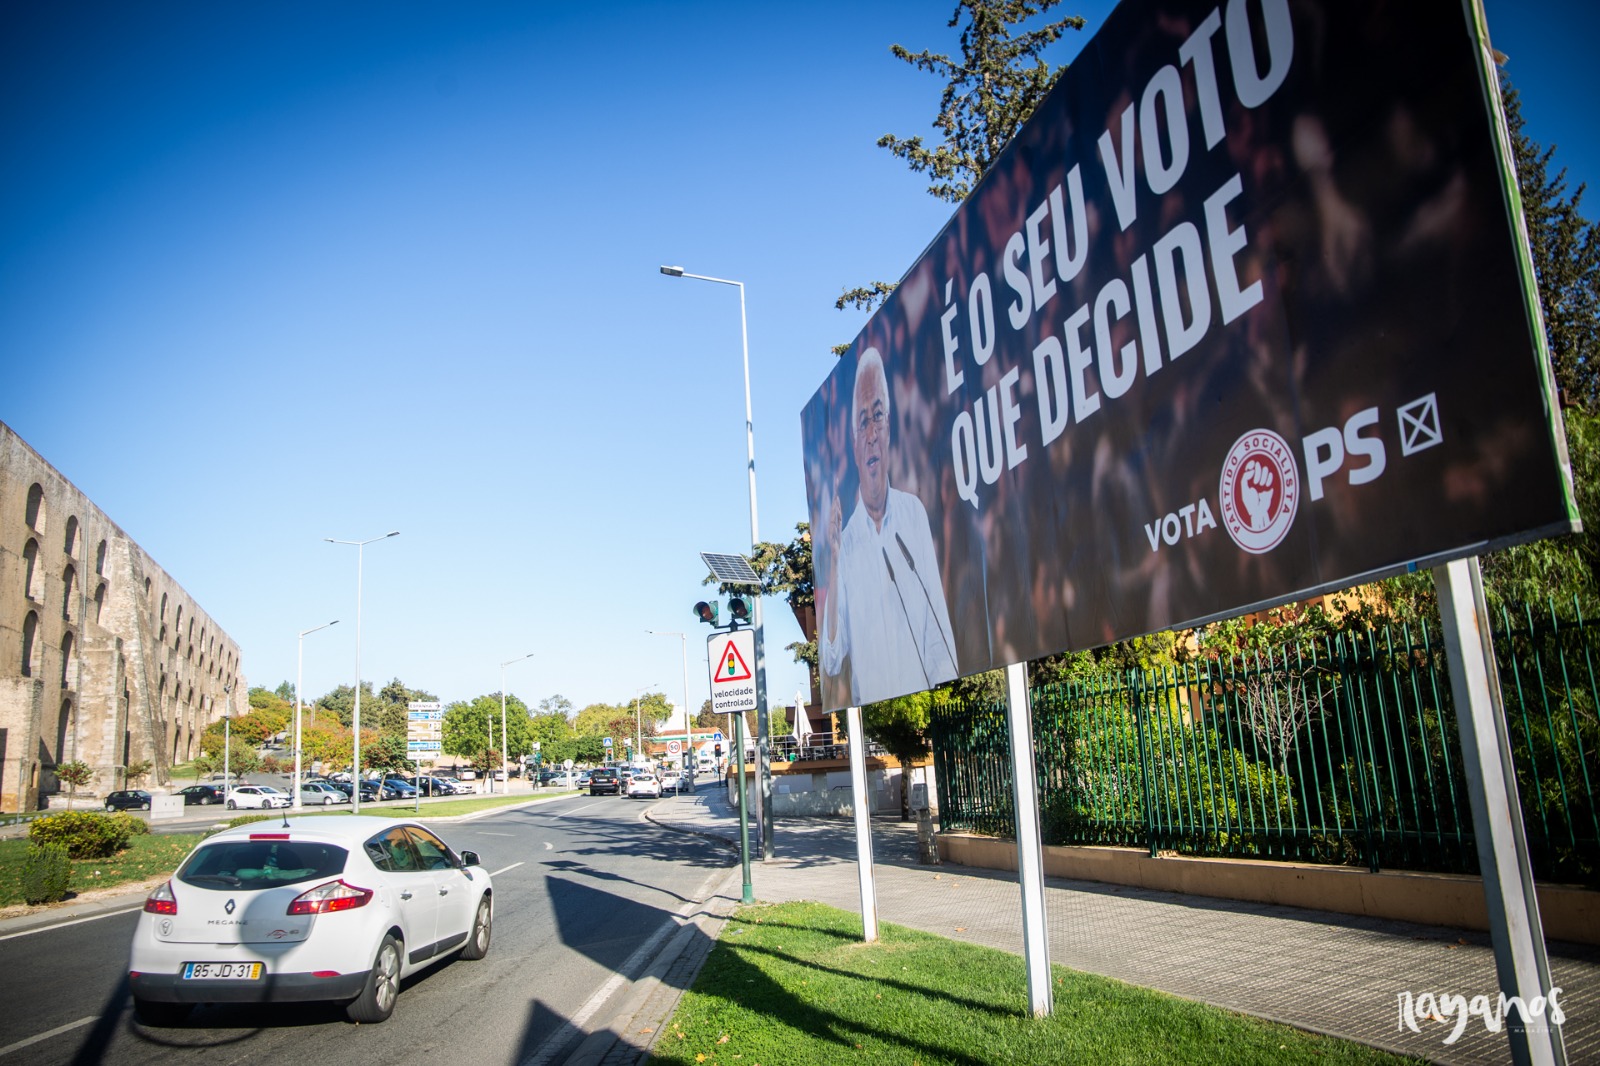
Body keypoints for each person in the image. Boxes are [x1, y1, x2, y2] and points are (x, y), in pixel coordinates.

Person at [820, 347, 958, 705]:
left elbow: (938, 638)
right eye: (862, 422)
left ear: (890, 427)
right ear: (853, 443)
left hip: (928, 711)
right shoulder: (847, 544)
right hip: (878, 719)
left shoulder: (914, 514)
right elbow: (832, 659)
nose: (871, 434)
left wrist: (942, 702)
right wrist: (834, 561)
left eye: (877, 416)